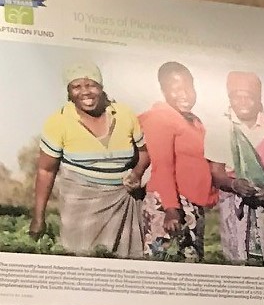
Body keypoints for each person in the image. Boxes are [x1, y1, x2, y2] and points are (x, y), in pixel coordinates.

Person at [30, 62, 148, 258]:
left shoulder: (124, 114)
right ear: (69, 92)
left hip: (123, 201)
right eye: (76, 86)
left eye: (91, 85)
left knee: (126, 264)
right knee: (83, 261)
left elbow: (144, 153)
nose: (85, 92)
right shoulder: (58, 122)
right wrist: (38, 217)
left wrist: (137, 173)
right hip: (80, 205)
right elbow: (46, 171)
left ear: (101, 87)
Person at [210, 72, 264, 267]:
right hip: (236, 204)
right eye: (236, 96)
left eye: (248, 96)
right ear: (229, 97)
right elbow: (216, 172)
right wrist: (234, 184)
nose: (242, 102)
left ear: (258, 98)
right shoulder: (220, 127)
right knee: (239, 262)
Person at [139, 63, 215, 262]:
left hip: (190, 206)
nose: (185, 94)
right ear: (164, 90)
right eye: (176, 88)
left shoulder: (193, 121)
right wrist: (171, 209)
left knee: (190, 269)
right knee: (165, 266)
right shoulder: (160, 118)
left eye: (189, 87)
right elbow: (162, 166)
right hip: (167, 205)